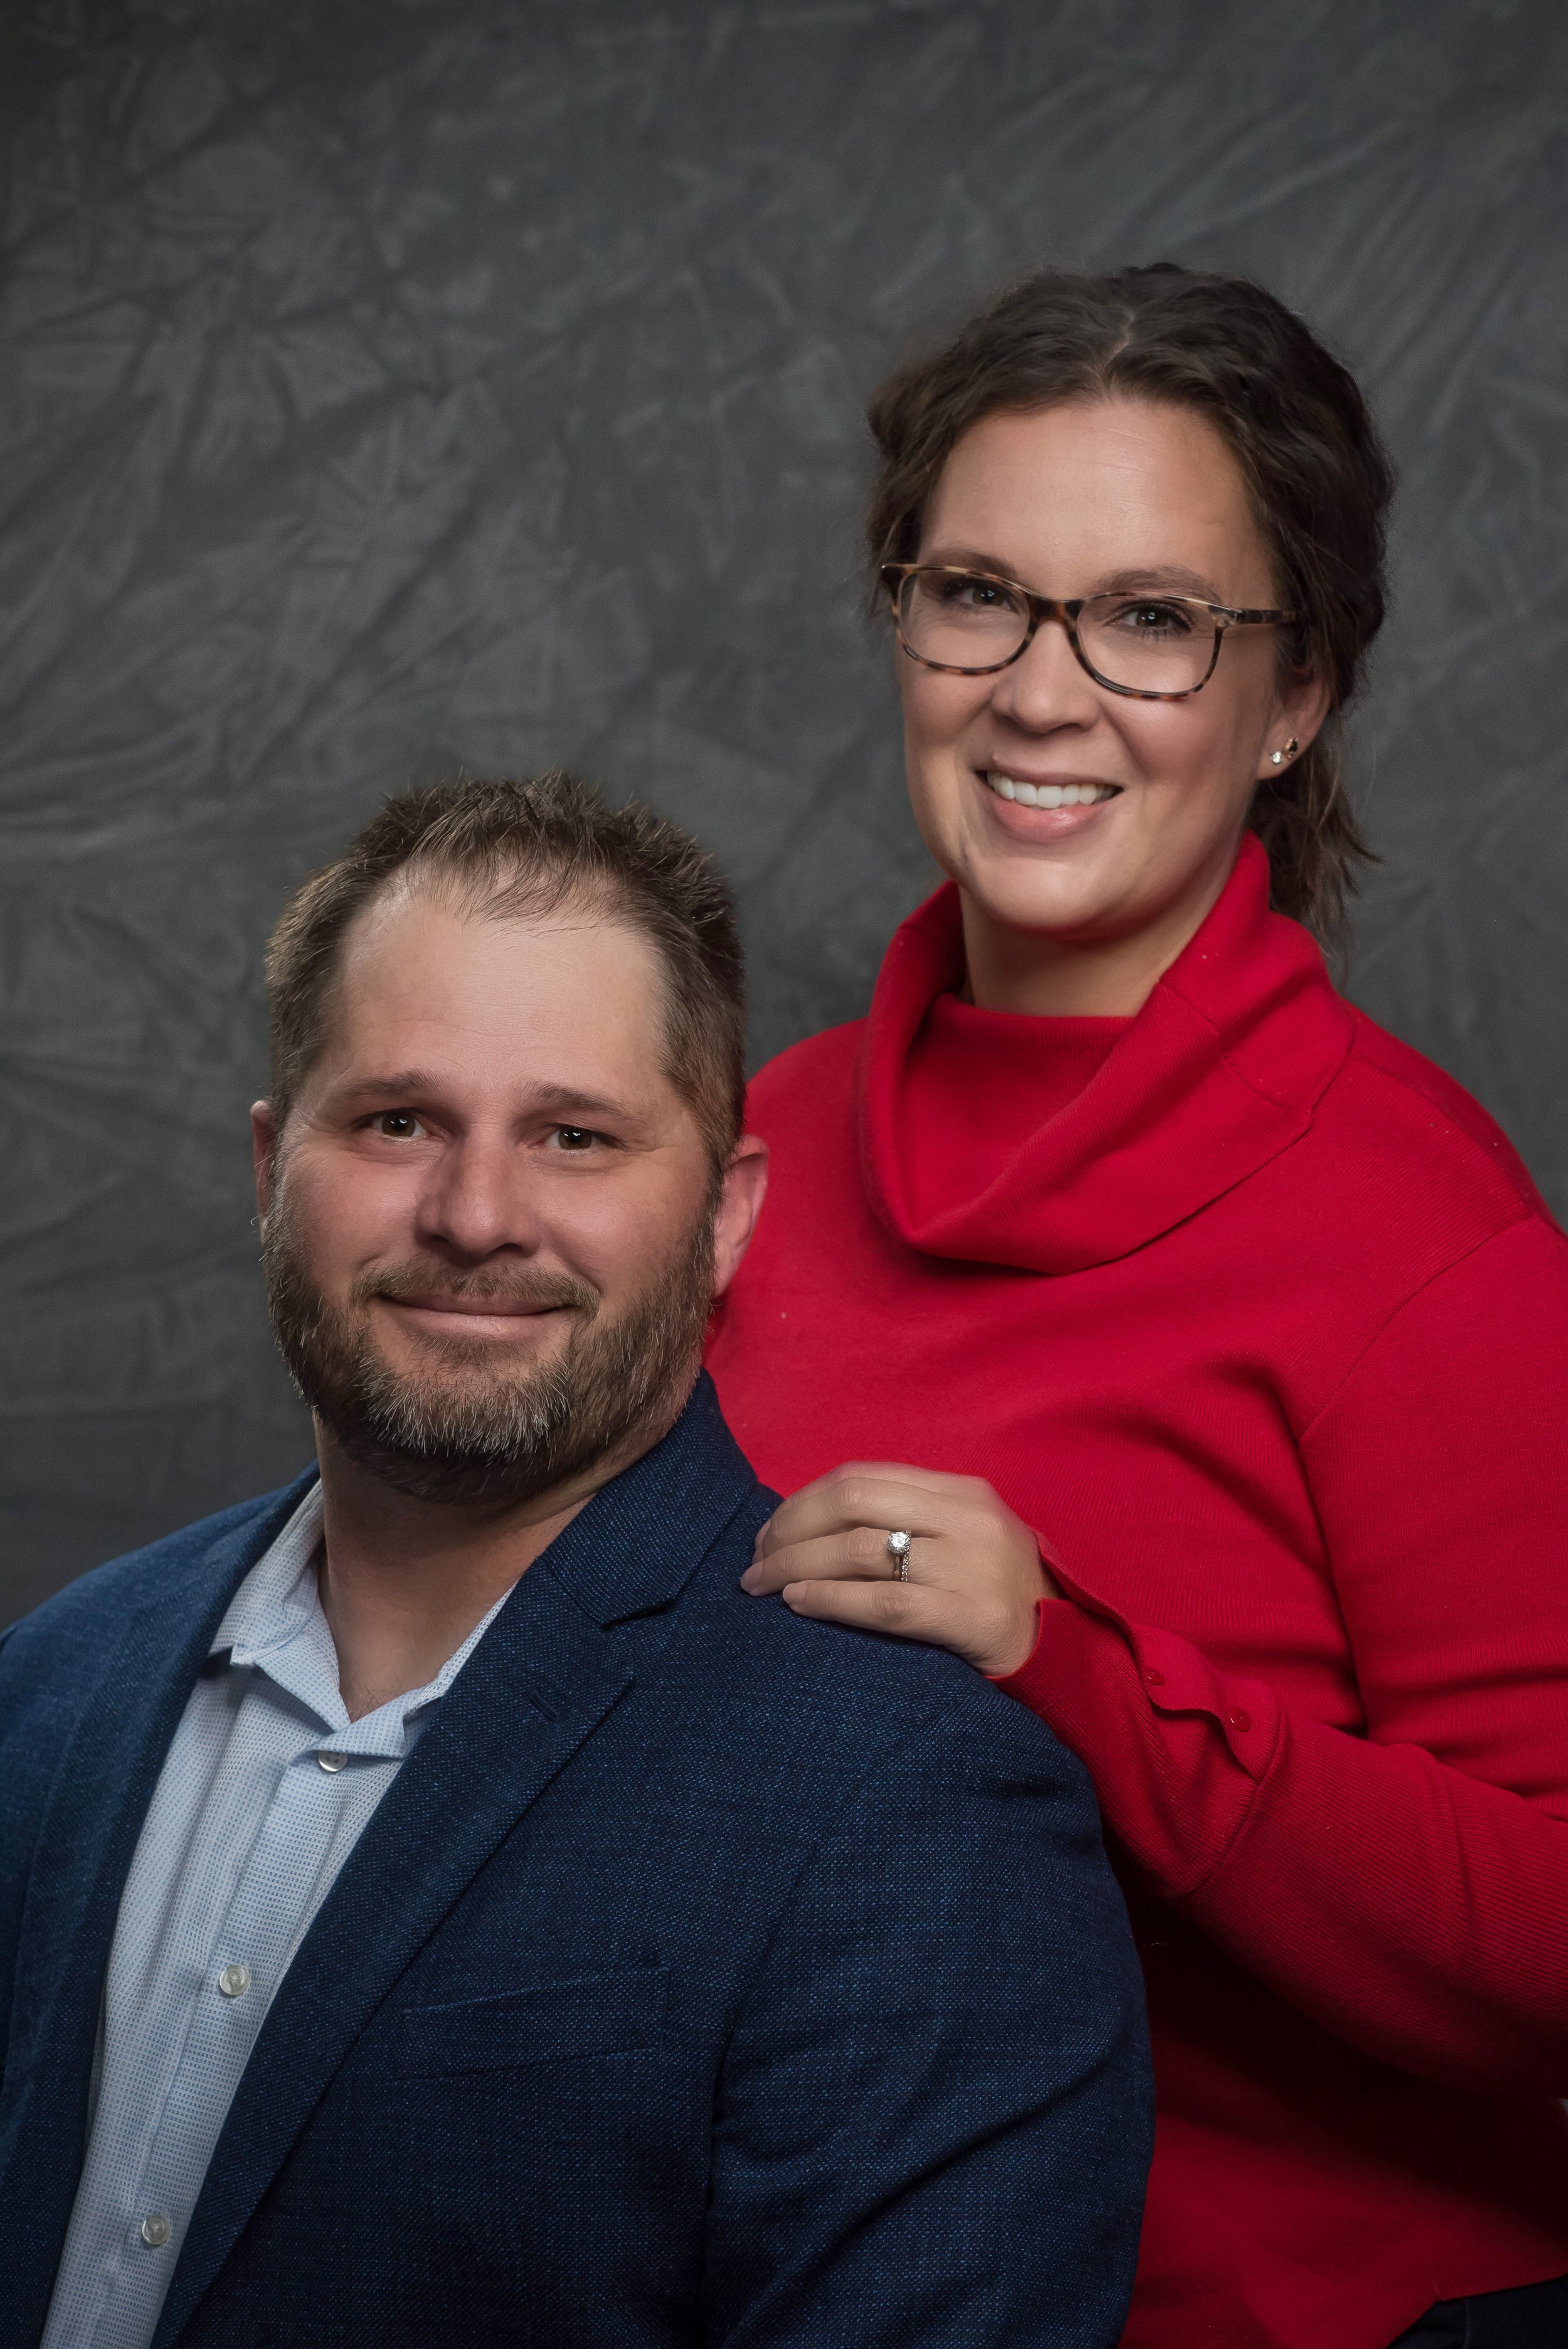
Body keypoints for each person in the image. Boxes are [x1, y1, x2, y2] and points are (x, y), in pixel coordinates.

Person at [0, 775, 1152, 2349]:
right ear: (273, 1169)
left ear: (727, 1214)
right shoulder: (53, 1688)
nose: (478, 1212)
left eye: (575, 1135)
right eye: (398, 1119)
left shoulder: (914, 1805)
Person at [710, 265, 1568, 2349]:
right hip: (792, 2281)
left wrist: (1078, 1672)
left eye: (1155, 618)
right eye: (978, 591)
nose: (1038, 688)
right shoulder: (748, 1148)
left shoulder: (1424, 1238)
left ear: (1296, 698)